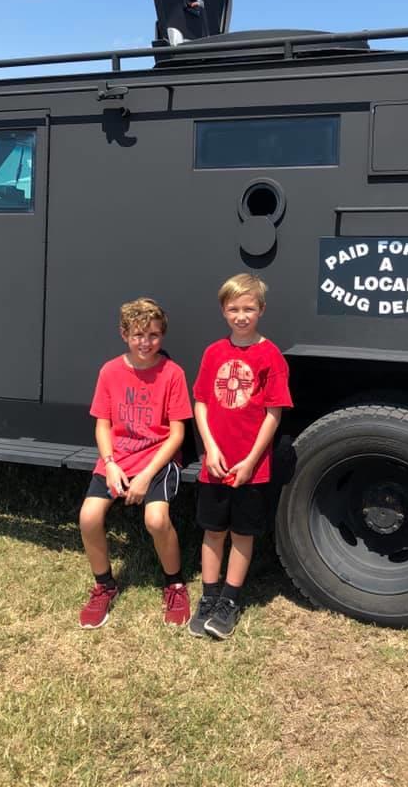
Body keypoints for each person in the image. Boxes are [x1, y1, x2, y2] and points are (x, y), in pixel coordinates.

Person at [78, 297, 193, 629]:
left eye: (154, 335)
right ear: (124, 334)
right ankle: (104, 586)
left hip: (157, 459)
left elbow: (176, 434)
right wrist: (110, 463)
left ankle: (174, 585)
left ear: (163, 335)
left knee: (156, 520)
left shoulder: (172, 373)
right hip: (118, 458)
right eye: (139, 335)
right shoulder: (110, 371)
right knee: (88, 517)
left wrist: (145, 476)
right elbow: (102, 424)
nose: (146, 343)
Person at [189, 273, 292, 639]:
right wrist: (211, 449)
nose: (241, 315)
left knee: (242, 534)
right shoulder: (213, 352)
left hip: (252, 468)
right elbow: (200, 402)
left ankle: (229, 600)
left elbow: (273, 413)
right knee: (213, 531)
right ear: (223, 311)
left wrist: (250, 460)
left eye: (249, 308)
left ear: (261, 310)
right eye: (234, 308)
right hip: (215, 465)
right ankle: (208, 596)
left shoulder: (271, 356)